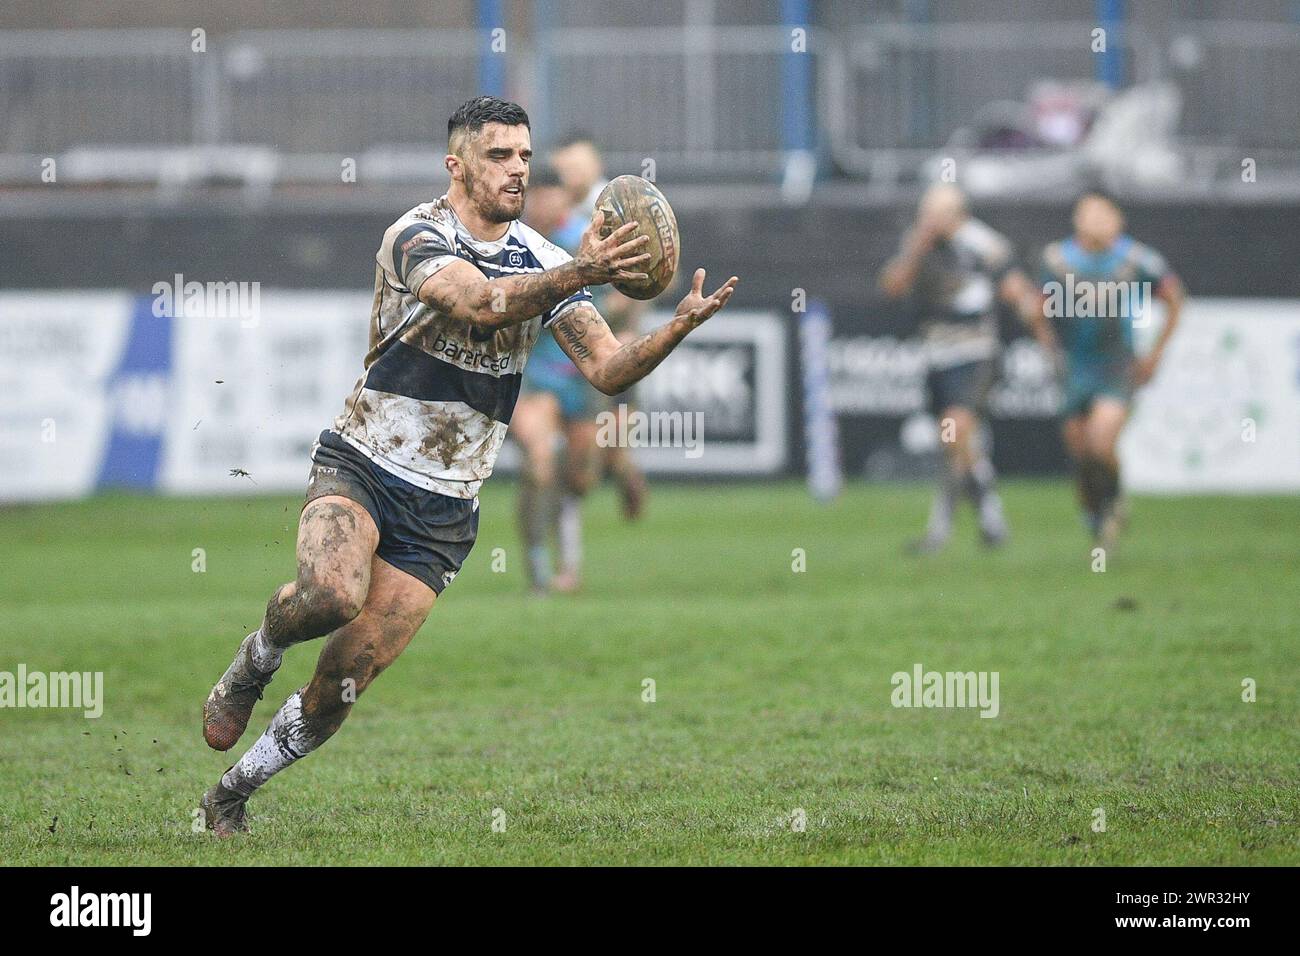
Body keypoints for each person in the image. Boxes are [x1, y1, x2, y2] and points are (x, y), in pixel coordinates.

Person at [198, 96, 739, 834]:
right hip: (363, 461)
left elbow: (609, 370)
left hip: (446, 509)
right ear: (457, 165)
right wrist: (582, 269)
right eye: (498, 156)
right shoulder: (416, 236)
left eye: (523, 154)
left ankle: (231, 793)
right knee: (329, 595)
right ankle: (256, 658)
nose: (517, 168)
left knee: (342, 682)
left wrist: (674, 329)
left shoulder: (548, 261)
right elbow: (481, 303)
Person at [1020, 191, 1184, 547]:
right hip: (1076, 365)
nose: (1096, 222)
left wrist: (1155, 354)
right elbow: (1036, 307)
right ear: (1077, 220)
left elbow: (1174, 299)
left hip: (1116, 365)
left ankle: (1111, 505)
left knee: (1101, 440)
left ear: (1117, 220)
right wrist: (1046, 340)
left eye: (1103, 214)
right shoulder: (1057, 260)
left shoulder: (1136, 260)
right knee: (1081, 453)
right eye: (1088, 214)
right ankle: (1098, 514)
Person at [879, 183, 1033, 553]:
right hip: (936, 355)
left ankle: (987, 514)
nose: (930, 220)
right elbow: (892, 287)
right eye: (926, 213)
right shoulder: (918, 245)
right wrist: (916, 248)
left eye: (938, 214)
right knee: (954, 444)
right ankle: (953, 526)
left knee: (955, 427)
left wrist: (1033, 315)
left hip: (976, 353)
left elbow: (1018, 290)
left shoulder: (983, 244)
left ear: (958, 214)